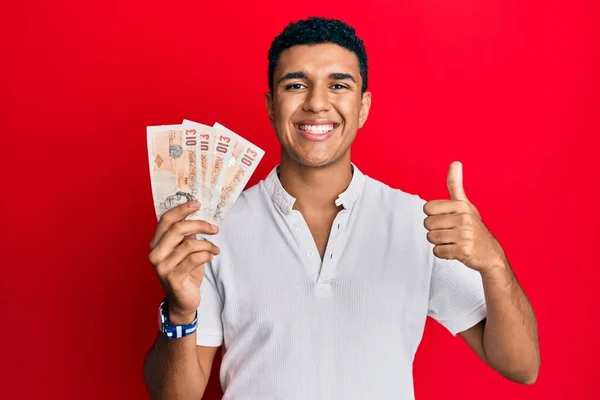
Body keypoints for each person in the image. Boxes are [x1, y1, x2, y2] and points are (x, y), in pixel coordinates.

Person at [143, 16, 540, 400]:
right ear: (271, 105)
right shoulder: (214, 229)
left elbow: (522, 366)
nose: (317, 103)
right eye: (296, 84)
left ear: (363, 107)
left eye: (338, 85)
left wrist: (494, 263)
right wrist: (180, 311)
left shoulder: (418, 224)